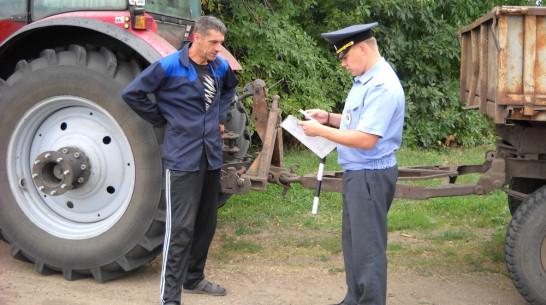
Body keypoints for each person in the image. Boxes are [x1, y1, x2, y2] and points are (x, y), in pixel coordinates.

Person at [121, 15, 238, 305]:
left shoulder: (219, 66)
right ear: (196, 38)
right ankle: (170, 298)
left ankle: (194, 279)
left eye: (221, 43)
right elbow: (132, 93)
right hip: (183, 159)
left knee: (205, 223)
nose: (218, 48)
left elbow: (229, 89)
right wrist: (162, 118)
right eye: (213, 42)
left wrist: (221, 117)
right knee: (181, 228)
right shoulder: (169, 66)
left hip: (211, 156)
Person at [298, 22, 405, 305]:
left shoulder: (381, 85)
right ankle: (353, 299)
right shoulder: (367, 80)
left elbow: (367, 139)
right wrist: (329, 118)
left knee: (368, 249)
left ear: (361, 49)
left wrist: (319, 132)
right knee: (355, 245)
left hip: (370, 175)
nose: (343, 63)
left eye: (345, 56)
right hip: (359, 174)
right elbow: (356, 123)